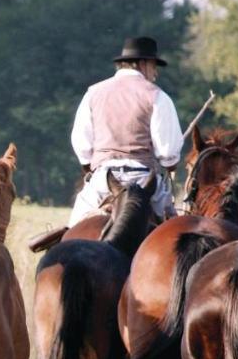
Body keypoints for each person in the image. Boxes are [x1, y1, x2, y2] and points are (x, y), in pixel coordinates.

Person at [67, 36, 183, 226]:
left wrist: (91, 164)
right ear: (143, 64)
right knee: (177, 235)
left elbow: (82, 144)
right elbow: (168, 152)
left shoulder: (93, 93)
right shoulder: (157, 96)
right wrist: (170, 163)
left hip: (102, 180)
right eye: (154, 66)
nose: (155, 74)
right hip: (145, 180)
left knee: (70, 232)